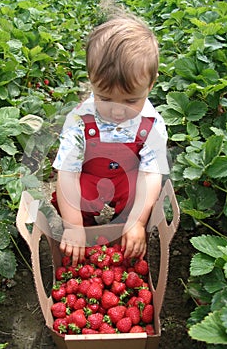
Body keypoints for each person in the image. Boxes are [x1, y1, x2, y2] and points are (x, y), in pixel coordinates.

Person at [51, 14, 169, 266]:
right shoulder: (80, 121)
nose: (117, 111)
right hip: (90, 175)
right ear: (91, 81)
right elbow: (67, 174)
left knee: (143, 196)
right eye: (104, 98)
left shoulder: (152, 124)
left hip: (130, 175)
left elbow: (150, 176)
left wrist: (136, 220)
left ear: (151, 84)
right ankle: (83, 230)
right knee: (74, 199)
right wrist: (73, 226)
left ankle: (126, 230)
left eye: (130, 101)